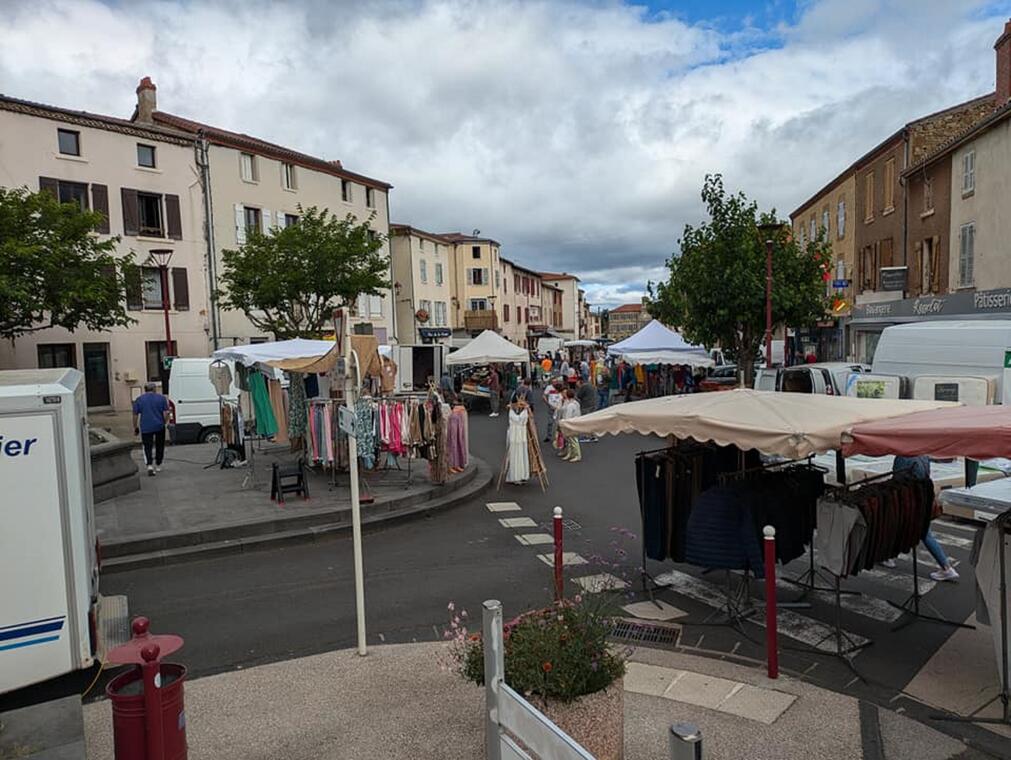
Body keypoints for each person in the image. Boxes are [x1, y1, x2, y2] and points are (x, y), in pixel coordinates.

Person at [892, 455, 959, 582]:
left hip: (909, 500)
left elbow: (897, 480)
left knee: (923, 533)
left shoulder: (903, 457)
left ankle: (946, 568)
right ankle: (889, 556)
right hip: (922, 500)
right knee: (902, 528)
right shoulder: (922, 455)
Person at [133, 382, 170, 476]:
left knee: (147, 446)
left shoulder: (139, 400)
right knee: (159, 445)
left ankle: (149, 465)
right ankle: (158, 464)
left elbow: (135, 415)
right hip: (159, 426)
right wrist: (164, 422)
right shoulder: (161, 398)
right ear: (154, 389)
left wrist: (135, 427)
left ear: (145, 389)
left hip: (146, 426)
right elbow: (166, 413)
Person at [505, 400, 531, 484]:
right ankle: (518, 475)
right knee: (518, 454)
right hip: (518, 435)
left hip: (516, 435)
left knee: (518, 454)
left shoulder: (523, 410)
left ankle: (518, 475)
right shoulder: (524, 411)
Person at [559, 389, 582, 462]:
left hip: (570, 423)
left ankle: (577, 455)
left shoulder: (570, 405)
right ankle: (570, 453)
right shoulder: (576, 403)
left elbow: (567, 416)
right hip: (576, 422)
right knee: (570, 440)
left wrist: (564, 423)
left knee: (573, 440)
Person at [543, 378, 564, 444]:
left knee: (559, 422)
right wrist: (548, 404)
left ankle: (559, 437)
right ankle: (549, 436)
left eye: (555, 382)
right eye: (553, 382)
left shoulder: (560, 387)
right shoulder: (549, 388)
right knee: (550, 422)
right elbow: (544, 396)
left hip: (559, 408)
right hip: (551, 408)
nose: (554, 383)